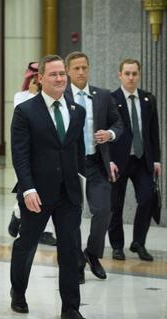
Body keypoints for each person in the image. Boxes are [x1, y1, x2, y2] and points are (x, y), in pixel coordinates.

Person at [10, 54, 91, 319]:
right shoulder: (26, 111)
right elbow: (19, 155)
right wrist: (27, 188)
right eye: (53, 74)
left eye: (61, 74)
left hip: (68, 193)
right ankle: (18, 291)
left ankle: (71, 309)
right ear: (40, 78)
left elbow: (76, 150)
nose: (59, 79)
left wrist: (83, 180)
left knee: (69, 250)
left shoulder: (77, 110)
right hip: (37, 193)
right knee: (26, 244)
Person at [64, 52, 123, 282]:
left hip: (97, 162)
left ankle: (92, 253)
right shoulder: (62, 95)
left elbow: (118, 123)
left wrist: (109, 134)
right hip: (71, 166)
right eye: (76, 68)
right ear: (68, 71)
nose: (81, 72)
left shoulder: (103, 96)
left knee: (103, 210)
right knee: (73, 215)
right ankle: (77, 262)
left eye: (84, 68)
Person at [108, 59, 161, 262]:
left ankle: (138, 242)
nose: (131, 77)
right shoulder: (111, 99)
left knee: (147, 198)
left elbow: (153, 132)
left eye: (134, 73)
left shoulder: (148, 99)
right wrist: (108, 160)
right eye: (127, 73)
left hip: (142, 159)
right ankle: (117, 246)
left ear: (139, 75)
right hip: (118, 161)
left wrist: (157, 159)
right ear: (120, 75)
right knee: (116, 205)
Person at [7, 61, 57, 246]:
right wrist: (35, 94)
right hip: (28, 153)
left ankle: (46, 231)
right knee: (28, 190)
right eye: (33, 76)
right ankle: (18, 214)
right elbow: (23, 114)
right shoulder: (21, 97)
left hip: (50, 154)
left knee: (50, 193)